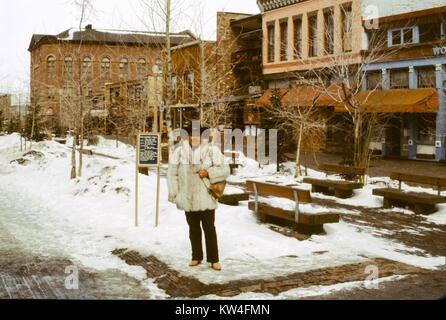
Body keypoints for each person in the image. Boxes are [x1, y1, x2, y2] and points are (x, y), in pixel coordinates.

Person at [167, 124, 230, 271]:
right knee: (193, 229)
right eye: (191, 135)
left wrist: (209, 173)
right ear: (187, 136)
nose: (194, 138)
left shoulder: (211, 150)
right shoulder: (179, 151)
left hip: (206, 196)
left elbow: (225, 169)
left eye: (197, 135)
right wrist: (176, 194)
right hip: (187, 197)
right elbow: (172, 174)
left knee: (209, 228)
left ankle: (214, 259)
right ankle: (196, 256)